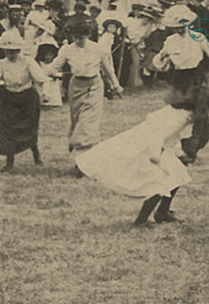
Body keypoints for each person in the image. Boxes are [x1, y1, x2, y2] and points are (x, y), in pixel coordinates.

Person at [76, 88, 198, 226]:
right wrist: (155, 155)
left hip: (151, 145)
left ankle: (162, 212)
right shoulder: (182, 117)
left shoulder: (177, 111)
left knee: (177, 174)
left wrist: (178, 153)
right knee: (161, 182)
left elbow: (171, 137)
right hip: (148, 147)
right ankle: (142, 220)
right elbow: (159, 135)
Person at [152, 4, 209, 164]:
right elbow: (160, 62)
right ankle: (176, 148)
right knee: (178, 114)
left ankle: (191, 148)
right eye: (176, 27)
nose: (179, 30)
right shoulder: (170, 41)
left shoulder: (198, 37)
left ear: (188, 24)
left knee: (199, 114)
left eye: (182, 27)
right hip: (177, 78)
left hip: (195, 77)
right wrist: (162, 57)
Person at [48, 17, 122, 169]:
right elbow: (53, 67)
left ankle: (83, 162)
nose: (77, 40)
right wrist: (53, 74)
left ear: (88, 35)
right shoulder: (67, 50)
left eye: (81, 37)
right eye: (75, 37)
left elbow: (108, 69)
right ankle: (80, 151)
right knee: (77, 120)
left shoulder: (98, 49)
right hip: (76, 87)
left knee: (88, 122)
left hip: (94, 85)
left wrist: (116, 85)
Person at [0, 32, 54, 172]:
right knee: (7, 130)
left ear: (19, 50)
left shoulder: (28, 61)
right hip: (9, 98)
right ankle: (9, 163)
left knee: (29, 128)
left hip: (27, 98)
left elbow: (40, 78)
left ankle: (36, 155)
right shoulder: (2, 63)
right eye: (7, 51)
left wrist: (45, 93)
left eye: (13, 51)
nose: (10, 54)